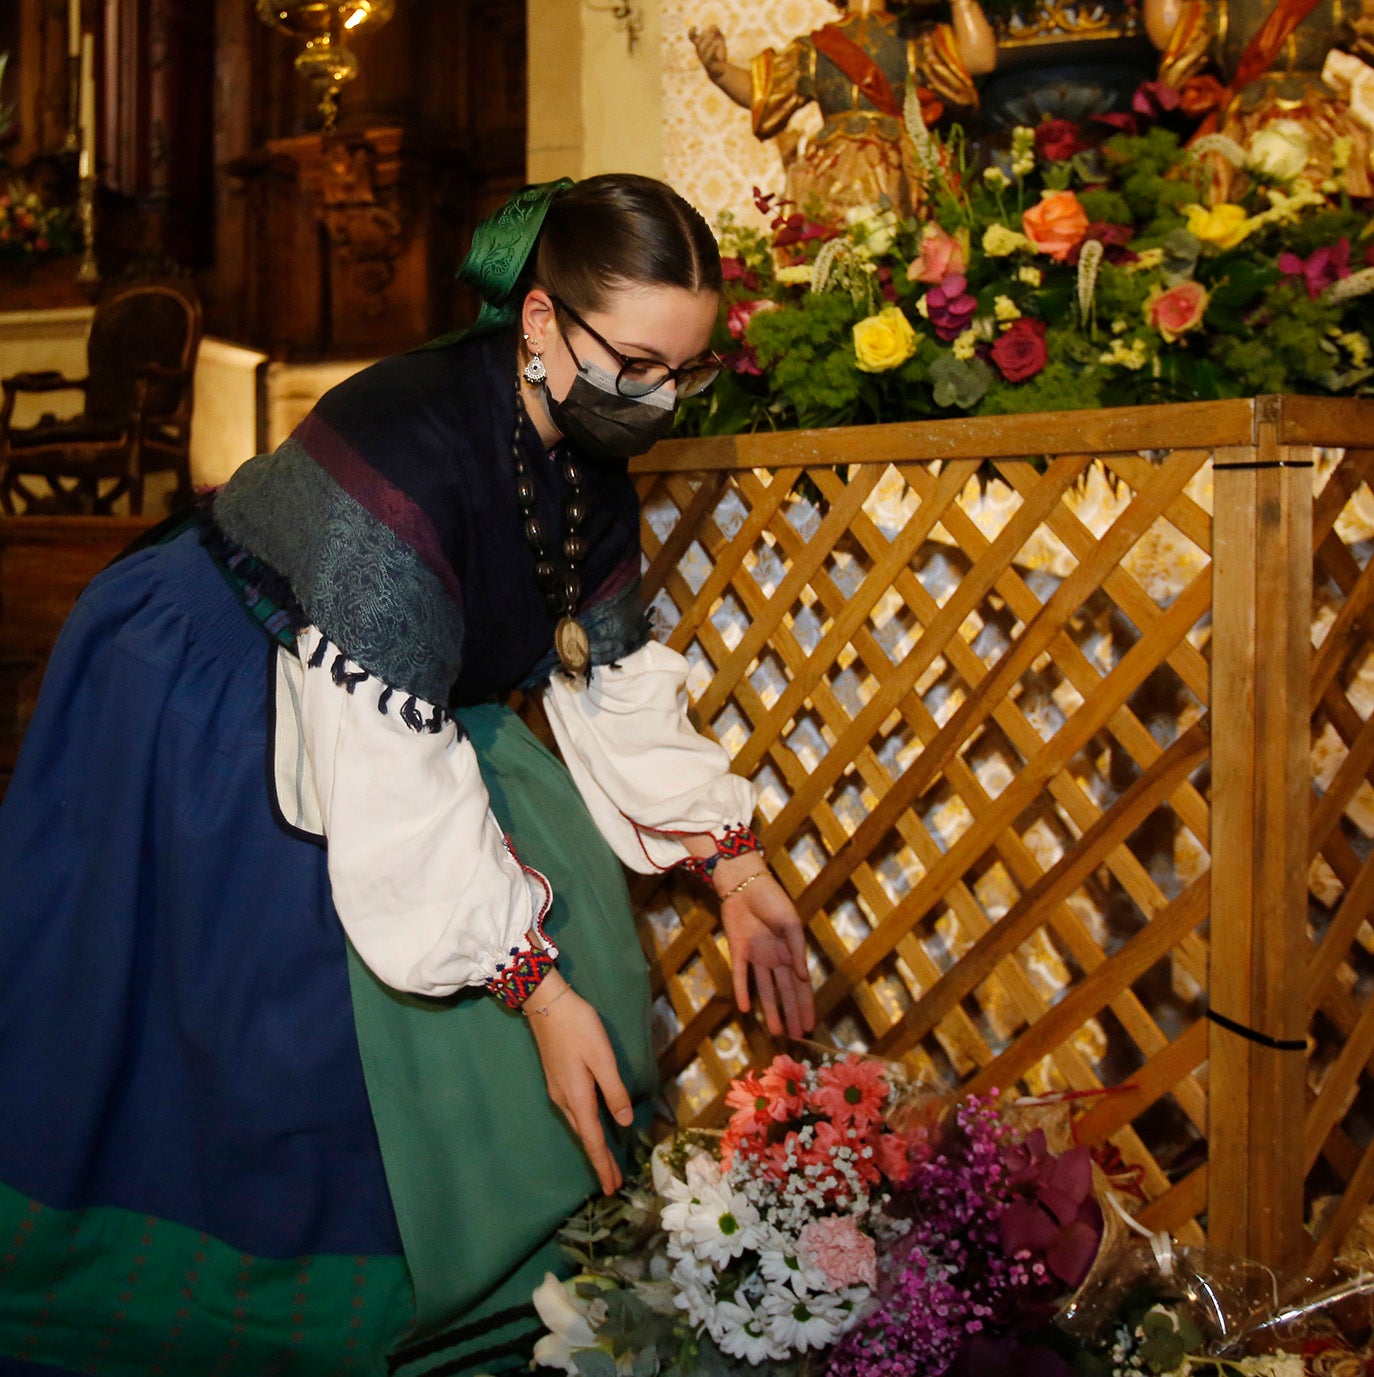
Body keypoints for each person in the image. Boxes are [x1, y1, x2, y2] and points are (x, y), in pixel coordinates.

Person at [0, 173, 815, 1377]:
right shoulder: (407, 440)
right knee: (249, 1004)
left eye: (686, 374)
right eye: (636, 363)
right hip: (213, 680)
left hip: (392, 694)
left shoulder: (584, 448)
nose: (658, 400)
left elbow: (605, 674)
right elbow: (386, 762)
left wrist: (735, 868)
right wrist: (535, 992)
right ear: (539, 321)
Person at [689, 0, 996, 220]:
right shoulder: (815, 46)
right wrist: (720, 70)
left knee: (893, 244)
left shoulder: (913, 40)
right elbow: (763, 91)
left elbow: (979, 59)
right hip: (829, 171)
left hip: (896, 165)